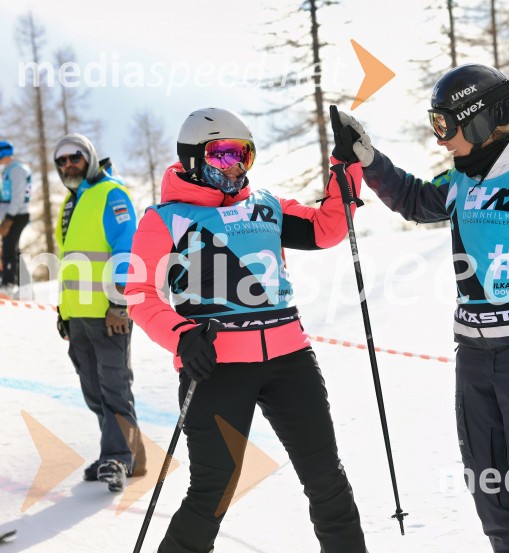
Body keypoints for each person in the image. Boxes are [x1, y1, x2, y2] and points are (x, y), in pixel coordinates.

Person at [333, 64, 509, 552]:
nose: (441, 141)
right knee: (494, 498)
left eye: (446, 127)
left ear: (478, 119)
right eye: (435, 127)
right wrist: (371, 161)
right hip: (475, 358)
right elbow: (416, 200)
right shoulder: (462, 178)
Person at [124, 107, 367, 553]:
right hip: (216, 366)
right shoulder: (164, 220)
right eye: (222, 155)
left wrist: (345, 165)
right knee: (213, 490)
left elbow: (328, 229)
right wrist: (181, 334)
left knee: (325, 477)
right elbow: (139, 292)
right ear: (192, 158)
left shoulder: (268, 207)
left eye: (243, 155)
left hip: (290, 360)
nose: (234, 166)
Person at [54, 133, 145, 492]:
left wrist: (120, 303)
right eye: (61, 162)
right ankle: (121, 452)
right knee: (94, 390)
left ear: (88, 157)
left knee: (114, 386)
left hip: (109, 313)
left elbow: (127, 246)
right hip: (78, 316)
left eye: (74, 158)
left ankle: (119, 458)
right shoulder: (72, 202)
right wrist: (64, 312)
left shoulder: (111, 194)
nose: (67, 165)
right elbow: (69, 263)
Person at [0, 140, 32, 296]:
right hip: (10, 215)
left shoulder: (16, 170)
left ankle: (8, 283)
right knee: (11, 248)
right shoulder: (8, 170)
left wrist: (9, 218)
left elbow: (18, 197)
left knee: (8, 248)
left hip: (17, 215)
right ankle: (23, 283)